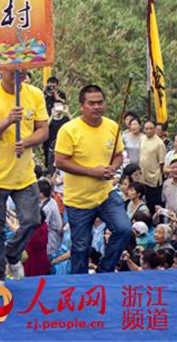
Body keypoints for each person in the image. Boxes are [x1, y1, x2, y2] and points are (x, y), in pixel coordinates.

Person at [0, 72, 48, 291]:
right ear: (1, 69)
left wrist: (26, 142)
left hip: (24, 174)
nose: (17, 74)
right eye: (11, 69)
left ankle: (13, 253)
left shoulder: (34, 94)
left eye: (21, 69)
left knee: (32, 219)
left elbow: (43, 130)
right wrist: (7, 121)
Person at [54, 84, 132, 274]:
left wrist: (112, 168)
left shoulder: (112, 126)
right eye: (91, 103)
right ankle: (80, 288)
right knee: (81, 247)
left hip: (106, 193)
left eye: (100, 102)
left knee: (124, 229)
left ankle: (105, 269)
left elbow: (118, 154)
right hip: (78, 200)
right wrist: (92, 171)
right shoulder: (68, 129)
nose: (97, 107)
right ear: (82, 105)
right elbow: (60, 162)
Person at [138, 120, 166, 213]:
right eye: (146, 128)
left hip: (154, 177)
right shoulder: (142, 139)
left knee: (154, 203)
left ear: (155, 129)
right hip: (142, 175)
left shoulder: (159, 143)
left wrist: (160, 176)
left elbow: (162, 162)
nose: (148, 131)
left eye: (151, 128)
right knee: (144, 200)